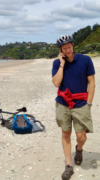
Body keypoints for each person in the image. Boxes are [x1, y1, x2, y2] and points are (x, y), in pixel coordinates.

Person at [52, 35, 95, 180]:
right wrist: (62, 64)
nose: (67, 50)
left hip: (81, 103)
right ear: (60, 50)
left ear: (73, 45)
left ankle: (79, 149)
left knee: (81, 136)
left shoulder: (85, 60)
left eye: (69, 47)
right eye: (64, 48)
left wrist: (89, 103)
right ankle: (69, 166)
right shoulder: (57, 63)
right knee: (65, 134)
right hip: (63, 102)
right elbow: (56, 83)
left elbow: (92, 82)